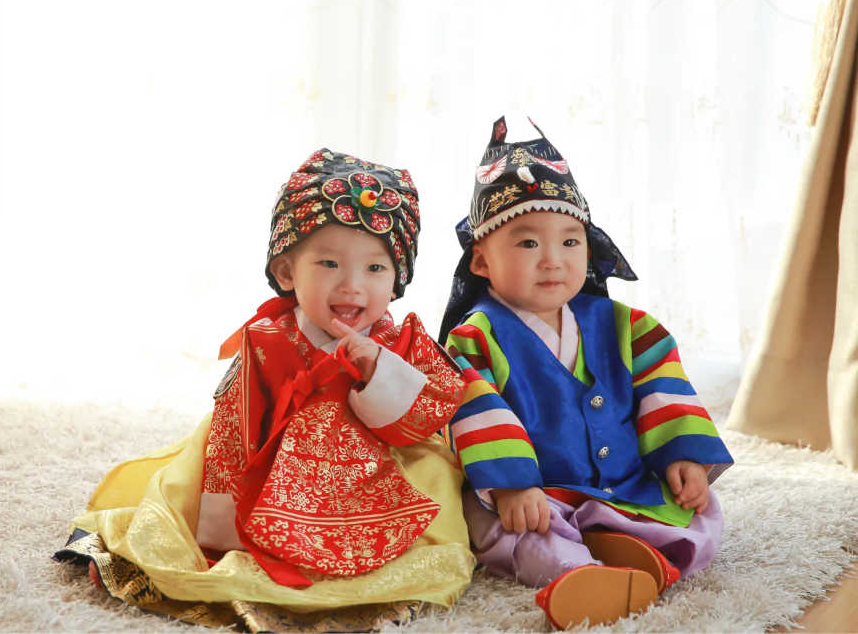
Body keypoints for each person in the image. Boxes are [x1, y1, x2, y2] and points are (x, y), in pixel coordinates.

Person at [55, 149, 474, 632]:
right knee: (176, 501)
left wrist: (378, 369)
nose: (353, 287)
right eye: (329, 263)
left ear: (398, 277)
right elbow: (236, 428)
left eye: (375, 269)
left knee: (438, 481)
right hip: (266, 465)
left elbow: (432, 409)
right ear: (287, 272)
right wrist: (222, 534)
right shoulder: (266, 341)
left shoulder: (398, 340)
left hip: (376, 465)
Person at [438, 117, 735, 629]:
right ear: (482, 262)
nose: (553, 260)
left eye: (570, 243)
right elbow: (475, 408)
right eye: (527, 244)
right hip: (538, 496)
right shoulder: (477, 337)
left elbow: (663, 389)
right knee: (502, 530)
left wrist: (681, 455)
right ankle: (577, 573)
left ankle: (635, 553)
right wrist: (511, 486)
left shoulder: (628, 326)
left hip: (622, 484)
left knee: (703, 518)